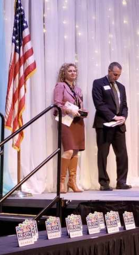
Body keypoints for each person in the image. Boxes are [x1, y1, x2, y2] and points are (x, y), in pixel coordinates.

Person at [92, 62, 131, 191]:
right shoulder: (98, 83)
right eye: (115, 74)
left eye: (119, 75)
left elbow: (124, 105)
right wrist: (113, 117)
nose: (116, 77)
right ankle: (104, 183)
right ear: (109, 71)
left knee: (122, 154)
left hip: (119, 125)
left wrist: (123, 117)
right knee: (103, 154)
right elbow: (99, 104)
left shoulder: (121, 87)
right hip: (104, 124)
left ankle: (121, 181)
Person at [54, 63, 85, 193]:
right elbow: (57, 104)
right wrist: (68, 110)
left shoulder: (78, 89)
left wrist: (83, 111)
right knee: (69, 150)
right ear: (64, 73)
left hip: (78, 121)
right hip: (66, 121)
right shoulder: (60, 86)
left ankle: (72, 182)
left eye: (74, 71)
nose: (73, 73)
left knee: (76, 151)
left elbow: (80, 104)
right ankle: (61, 182)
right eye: (70, 71)